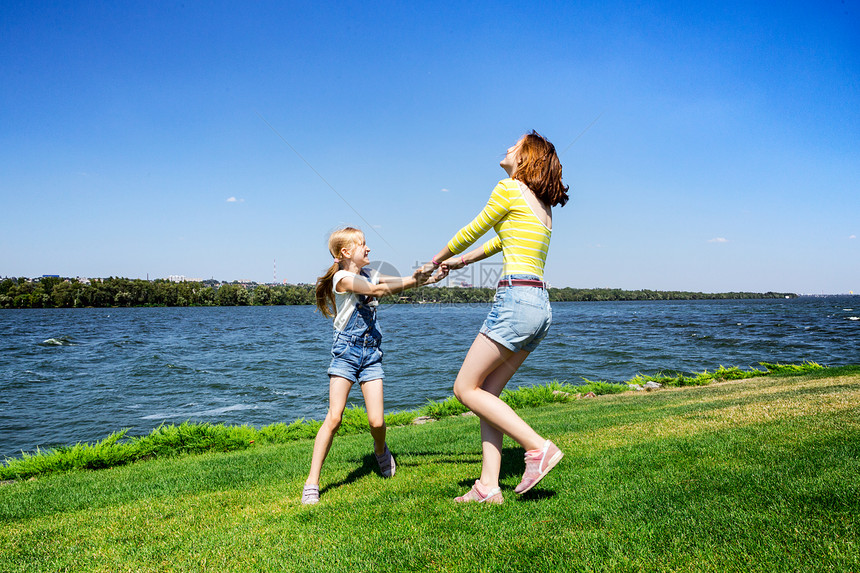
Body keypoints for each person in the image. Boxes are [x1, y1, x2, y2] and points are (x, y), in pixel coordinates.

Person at [424, 130, 569, 504]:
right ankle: (489, 486)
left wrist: (436, 260)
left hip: (516, 302)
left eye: (515, 145)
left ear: (525, 158)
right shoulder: (540, 206)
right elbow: (498, 240)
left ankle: (537, 448)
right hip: (540, 308)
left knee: (464, 388)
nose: (507, 147)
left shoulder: (507, 188)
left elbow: (475, 228)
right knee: (487, 392)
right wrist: (459, 264)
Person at [302, 226, 446, 505]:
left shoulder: (368, 274)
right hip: (345, 353)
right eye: (362, 245)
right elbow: (377, 289)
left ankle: (381, 451)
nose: (368, 249)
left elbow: (392, 283)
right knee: (334, 417)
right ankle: (312, 481)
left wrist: (426, 279)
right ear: (346, 253)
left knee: (377, 421)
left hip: (371, 354)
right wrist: (413, 280)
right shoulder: (343, 278)